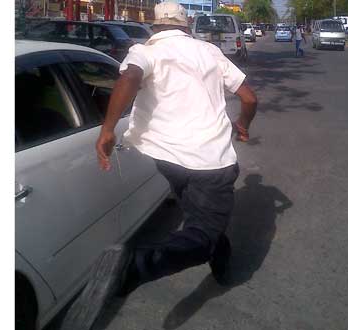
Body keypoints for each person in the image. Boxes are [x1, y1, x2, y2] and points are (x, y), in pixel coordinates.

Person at [95, 2, 258, 296]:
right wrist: (243, 125)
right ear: (187, 25)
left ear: (155, 26)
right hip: (210, 162)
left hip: (169, 161)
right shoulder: (209, 51)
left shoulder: (145, 51)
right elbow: (249, 98)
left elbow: (130, 77)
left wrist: (107, 130)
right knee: (203, 236)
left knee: (201, 216)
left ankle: (221, 263)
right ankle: (136, 265)